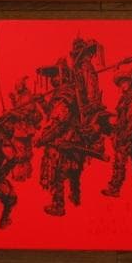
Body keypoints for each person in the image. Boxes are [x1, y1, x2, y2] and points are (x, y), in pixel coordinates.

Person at [36, 58, 84, 216]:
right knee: (72, 172)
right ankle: (76, 198)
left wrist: (43, 139)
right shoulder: (62, 93)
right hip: (71, 137)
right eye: (51, 76)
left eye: (55, 75)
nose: (53, 79)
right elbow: (52, 113)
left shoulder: (65, 94)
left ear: (63, 75)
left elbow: (59, 122)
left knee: (58, 172)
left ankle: (58, 205)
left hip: (65, 138)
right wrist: (42, 102)